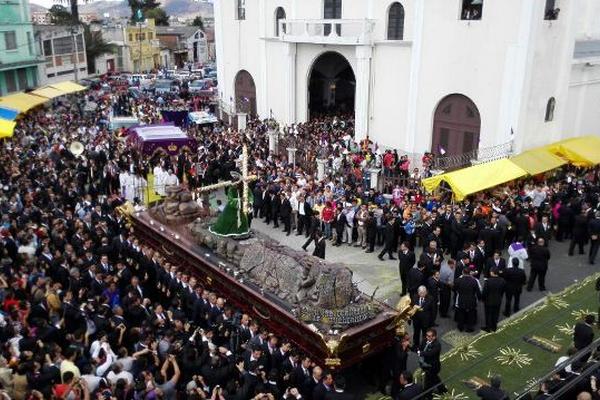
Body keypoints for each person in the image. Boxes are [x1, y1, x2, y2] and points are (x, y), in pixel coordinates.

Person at [454, 266, 481, 332]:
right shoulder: (474, 281)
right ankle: (470, 328)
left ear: (463, 272)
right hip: (471, 299)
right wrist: (479, 298)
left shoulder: (458, 280)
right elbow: (478, 291)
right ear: (469, 273)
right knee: (471, 315)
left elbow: (454, 289)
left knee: (461, 314)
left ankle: (460, 327)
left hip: (461, 299)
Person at [418, 328, 443, 394]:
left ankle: (428, 394)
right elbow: (420, 347)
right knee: (434, 378)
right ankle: (442, 389)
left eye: (429, 336)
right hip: (426, 365)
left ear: (434, 337)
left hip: (433, 366)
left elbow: (430, 353)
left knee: (429, 381)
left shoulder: (437, 345)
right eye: (426, 335)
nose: (427, 337)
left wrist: (421, 353)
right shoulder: (424, 340)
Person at [482, 267, 505, 332]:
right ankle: (494, 327)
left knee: (488, 314)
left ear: (492, 272)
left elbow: (484, 292)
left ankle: (488, 327)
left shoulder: (488, 281)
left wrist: (483, 299)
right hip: (498, 300)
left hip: (488, 301)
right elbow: (503, 291)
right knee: (496, 314)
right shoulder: (502, 281)